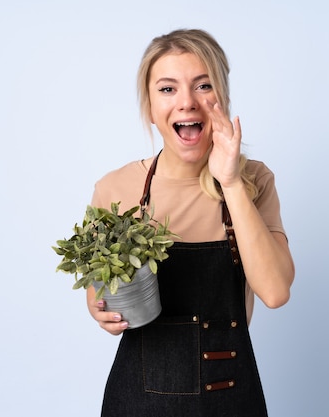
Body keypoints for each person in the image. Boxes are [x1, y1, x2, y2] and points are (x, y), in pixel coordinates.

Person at [85, 28, 295, 417]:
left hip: (232, 401)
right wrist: (102, 312)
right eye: (167, 89)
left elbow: (276, 292)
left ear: (222, 98)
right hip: (138, 404)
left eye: (203, 85)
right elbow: (100, 297)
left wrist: (230, 181)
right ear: (149, 106)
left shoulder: (254, 181)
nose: (186, 103)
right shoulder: (115, 189)